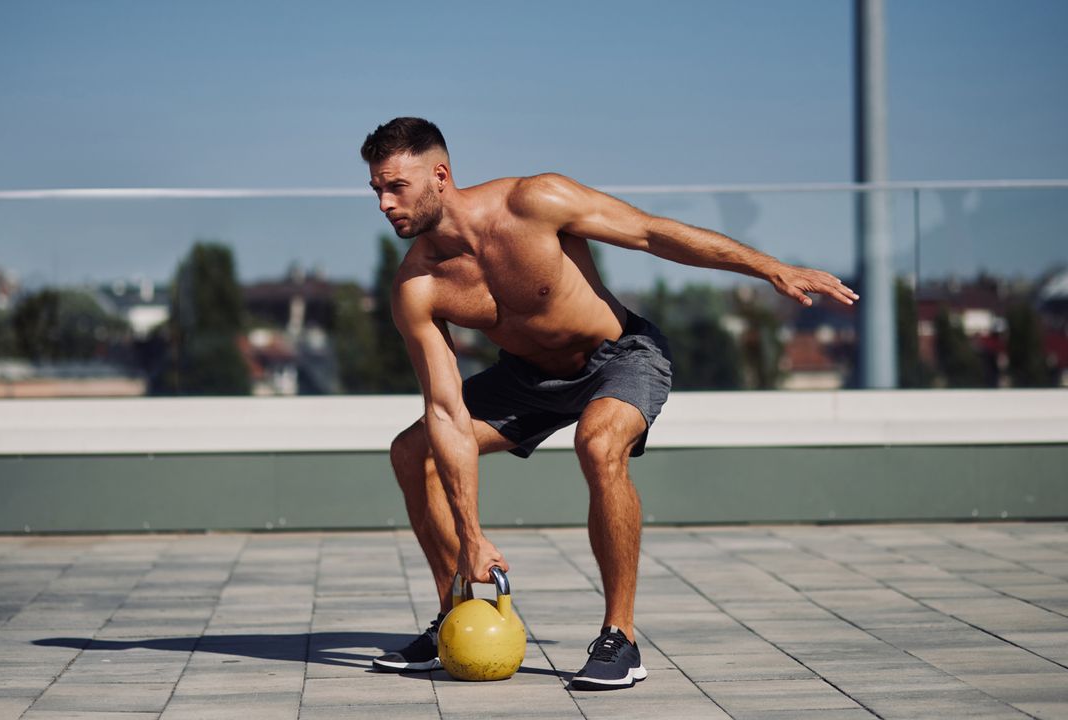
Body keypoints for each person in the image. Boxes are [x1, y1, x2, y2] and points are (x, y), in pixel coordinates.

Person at [364, 117, 858, 690]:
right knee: (411, 452)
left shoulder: (534, 201)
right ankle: (455, 613)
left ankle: (619, 637)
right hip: (527, 379)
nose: (383, 202)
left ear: (441, 176)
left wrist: (769, 266)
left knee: (597, 444)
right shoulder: (417, 287)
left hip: (619, 355)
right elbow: (447, 412)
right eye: (376, 188)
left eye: (395, 186)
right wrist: (472, 539)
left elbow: (651, 233)